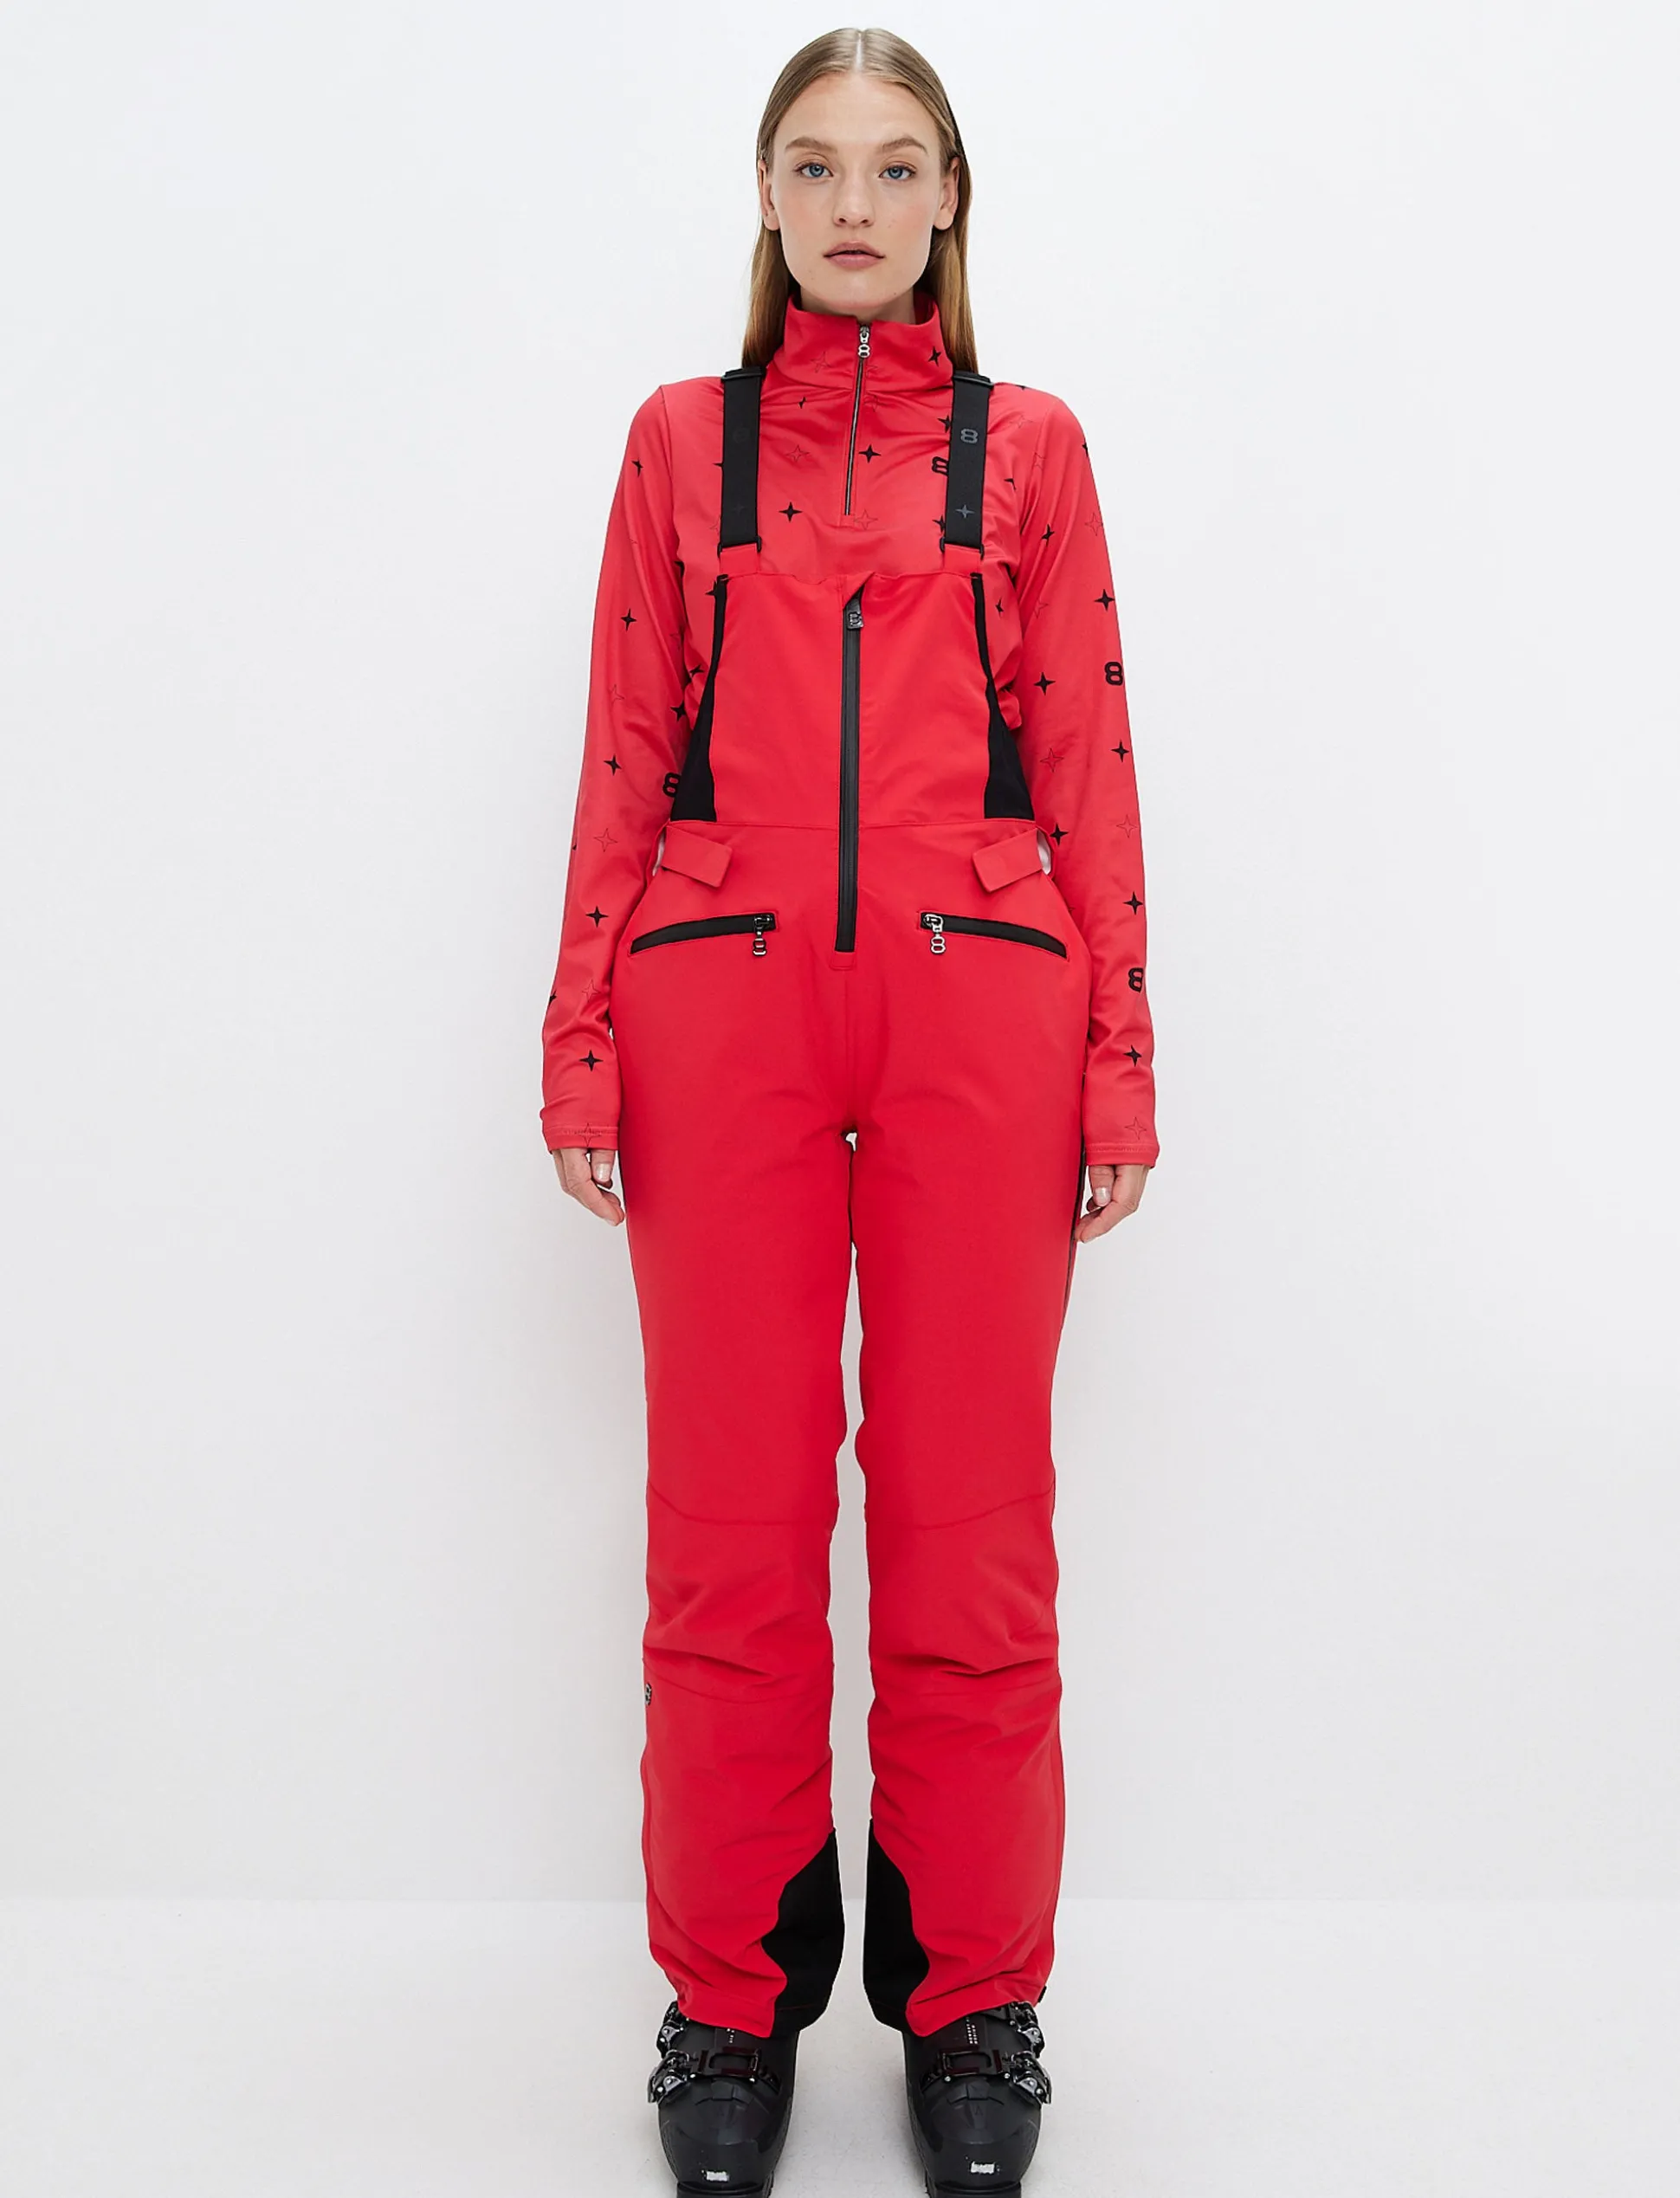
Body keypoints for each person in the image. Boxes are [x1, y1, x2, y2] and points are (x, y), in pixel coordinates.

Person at [540, 28, 1158, 2195]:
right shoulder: (678, 445)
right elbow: (627, 747)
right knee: (725, 1535)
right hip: (718, 1014)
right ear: (767, 197)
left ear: (950, 197)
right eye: (816, 166)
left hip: (983, 1012)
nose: (857, 205)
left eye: (898, 167)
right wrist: (580, 1031)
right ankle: (729, 2002)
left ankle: (972, 1995)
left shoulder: (1032, 449)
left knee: (972, 1526)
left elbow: (1084, 761)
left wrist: (1119, 1052)